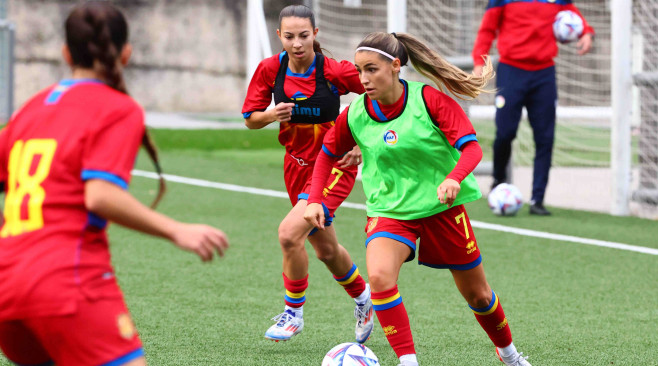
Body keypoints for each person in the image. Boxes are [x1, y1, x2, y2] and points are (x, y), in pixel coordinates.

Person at [0, 2, 228, 365]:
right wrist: (177, 230)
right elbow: (100, 195)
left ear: (66, 54)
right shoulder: (118, 108)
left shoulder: (34, 107)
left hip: (3, 286)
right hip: (66, 283)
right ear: (126, 54)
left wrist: (18, 243)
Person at [304, 32, 532, 366]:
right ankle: (408, 361)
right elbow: (327, 153)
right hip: (390, 211)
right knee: (380, 277)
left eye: (371, 69)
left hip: (442, 210)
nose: (363, 79)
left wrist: (454, 178)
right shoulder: (355, 113)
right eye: (359, 70)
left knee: (479, 295)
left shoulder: (428, 100)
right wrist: (314, 200)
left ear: (395, 66)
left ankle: (509, 355)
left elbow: (471, 148)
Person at [242, 4, 374, 343]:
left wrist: (360, 143)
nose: (297, 43)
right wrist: (272, 114)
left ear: (315, 35)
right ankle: (364, 299)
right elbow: (250, 119)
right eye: (289, 36)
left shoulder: (335, 71)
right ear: (280, 37)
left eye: (304, 35)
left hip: (333, 166)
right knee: (326, 251)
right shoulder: (270, 70)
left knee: (289, 234)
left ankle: (293, 313)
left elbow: (379, 98)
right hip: (295, 167)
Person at [472, 0, 595, 216]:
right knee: (505, 133)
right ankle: (498, 181)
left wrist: (586, 34)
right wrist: (479, 62)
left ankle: (538, 199)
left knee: (545, 138)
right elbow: (488, 29)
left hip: (544, 74)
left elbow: (576, 19)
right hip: (511, 72)